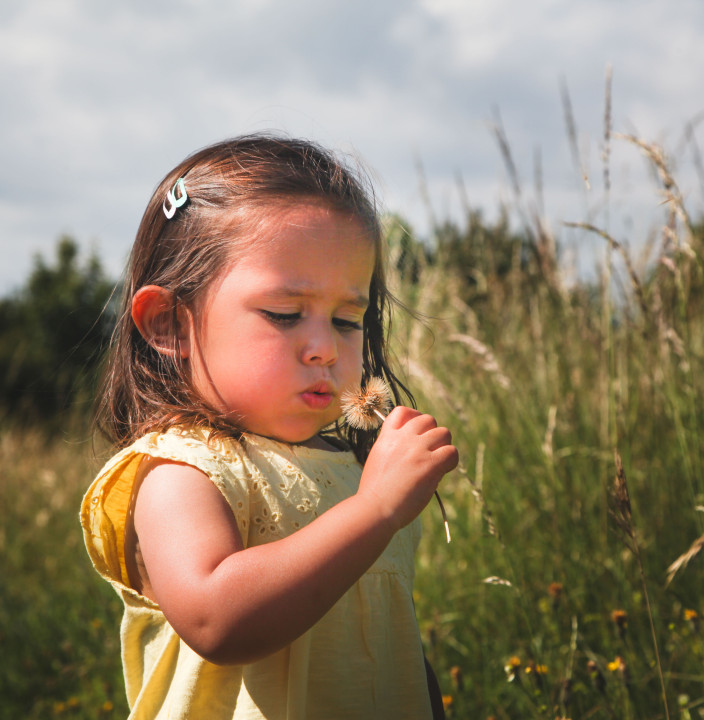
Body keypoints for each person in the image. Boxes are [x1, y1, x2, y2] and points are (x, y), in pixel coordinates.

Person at [81, 134, 458, 719]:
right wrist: (378, 509)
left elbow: (388, 639)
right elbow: (217, 621)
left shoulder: (359, 469)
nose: (324, 348)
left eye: (346, 318)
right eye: (284, 315)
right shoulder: (183, 471)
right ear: (169, 324)